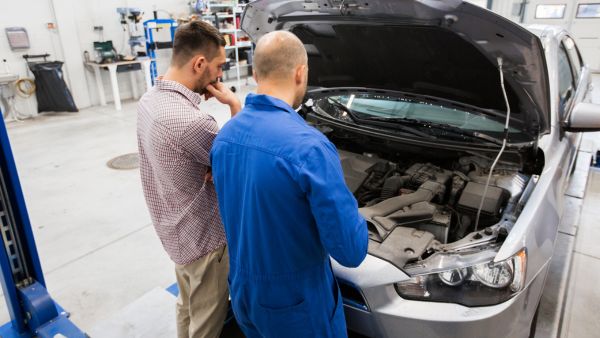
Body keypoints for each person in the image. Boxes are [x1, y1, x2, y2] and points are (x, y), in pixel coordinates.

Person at [210, 31, 368, 337]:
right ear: (301, 72)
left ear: (255, 73)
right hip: (297, 304)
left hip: (243, 292)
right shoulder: (310, 149)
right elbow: (350, 251)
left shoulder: (225, 137)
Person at [136, 20, 241, 338]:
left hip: (176, 233)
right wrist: (235, 105)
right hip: (206, 241)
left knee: (186, 306)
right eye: (219, 66)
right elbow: (238, 166)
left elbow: (209, 163)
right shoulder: (193, 123)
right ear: (199, 63)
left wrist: (211, 167)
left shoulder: (149, 101)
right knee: (207, 324)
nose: (220, 76)